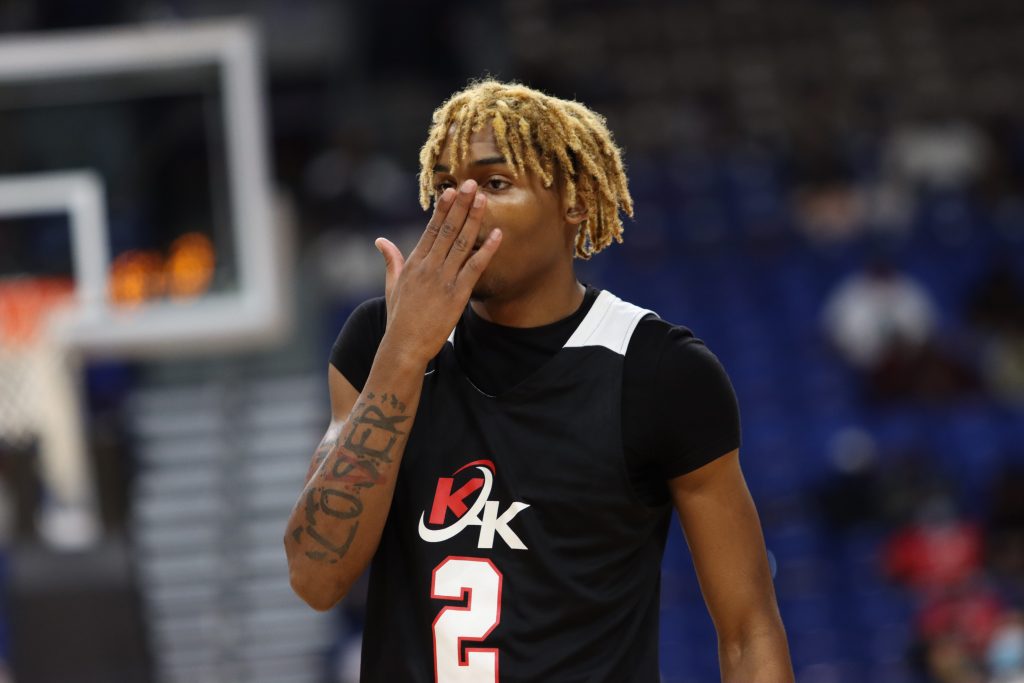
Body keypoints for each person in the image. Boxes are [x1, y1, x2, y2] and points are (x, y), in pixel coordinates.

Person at [285, 80, 792, 682]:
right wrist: (404, 354)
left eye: (495, 183)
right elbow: (315, 577)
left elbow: (749, 631)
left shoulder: (658, 371)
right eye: (445, 187)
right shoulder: (379, 341)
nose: (460, 207)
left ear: (573, 202)